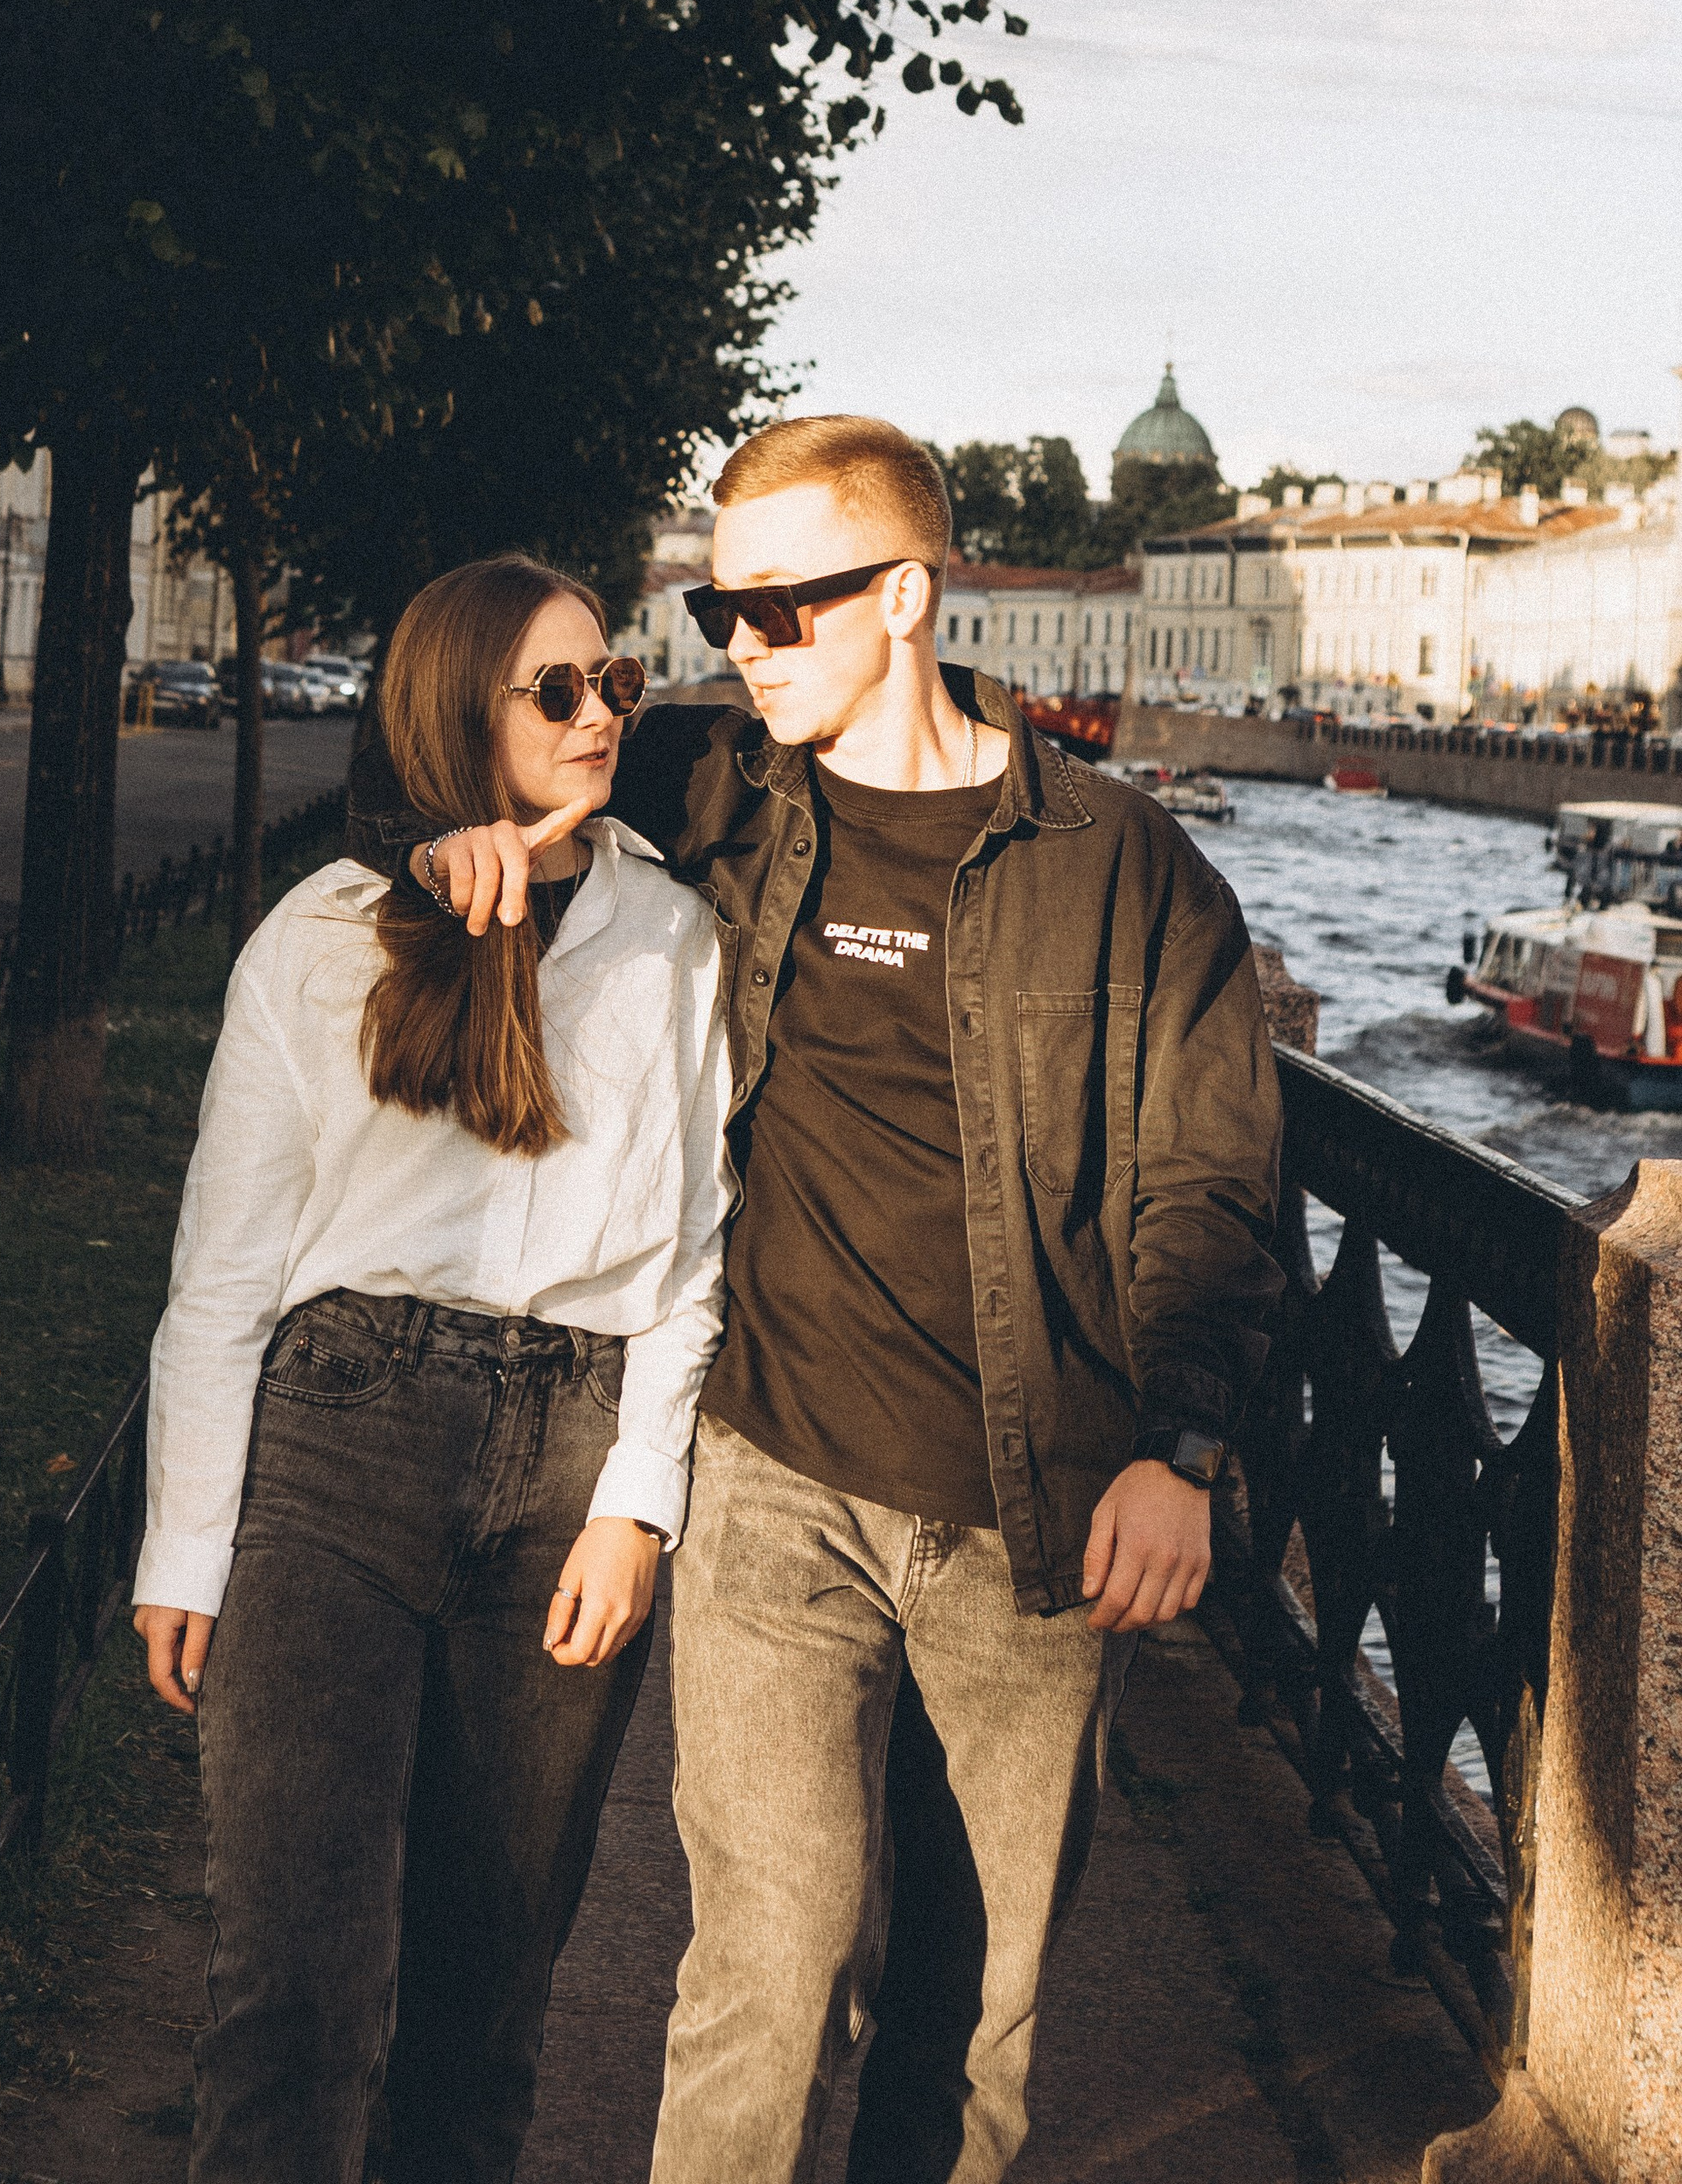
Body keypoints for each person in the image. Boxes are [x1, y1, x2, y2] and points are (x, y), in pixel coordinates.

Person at [384, 417, 1284, 2184]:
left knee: (970, 2022)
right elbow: (457, 747)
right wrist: (449, 845)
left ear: (906, 597)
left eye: (780, 607)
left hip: (1035, 1517)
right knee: (764, 1968)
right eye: (719, 607)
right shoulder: (707, 784)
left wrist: (1178, 1450)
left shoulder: (1127, 869)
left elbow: (1210, 1183)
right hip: (770, 1479)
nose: (741, 643)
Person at [133, 553, 732, 2184]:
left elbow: (691, 1255)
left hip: (568, 1466)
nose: (603, 713)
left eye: (618, 681)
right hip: (339, 1442)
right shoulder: (325, 937)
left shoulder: (675, 940)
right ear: (460, 707)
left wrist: (638, 1504)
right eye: (560, 689)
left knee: (485, 2010)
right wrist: (187, 1542)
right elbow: (221, 1276)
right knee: (294, 1995)